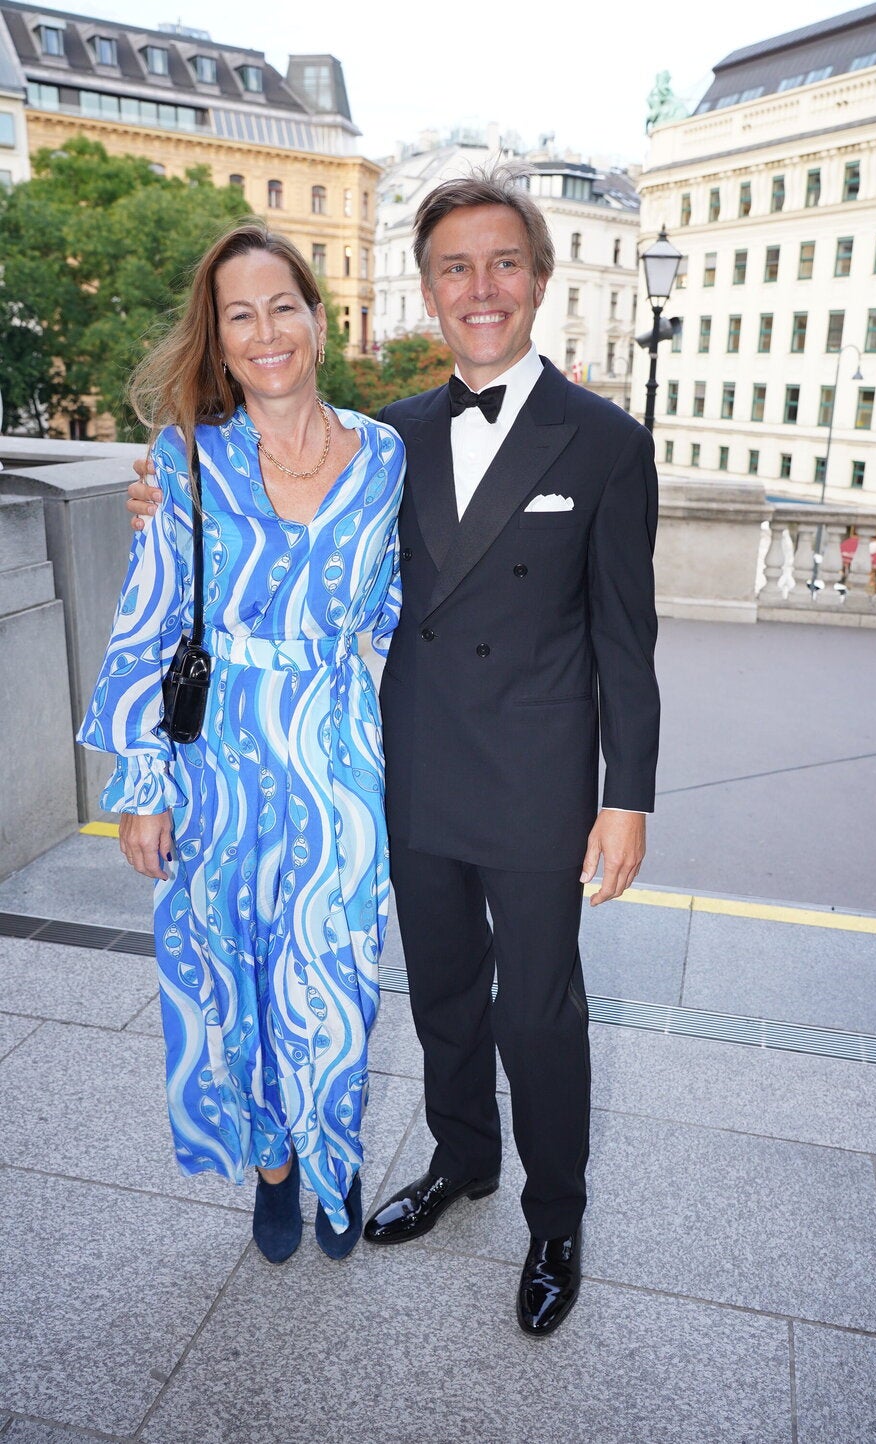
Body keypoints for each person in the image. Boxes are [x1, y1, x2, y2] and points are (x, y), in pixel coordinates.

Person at [128, 168, 659, 1336]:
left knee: (539, 1012)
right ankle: (462, 1160)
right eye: (455, 267)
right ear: (423, 290)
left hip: (535, 778)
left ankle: (554, 1217)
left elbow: (629, 636)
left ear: (539, 278)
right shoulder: (389, 439)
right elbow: (273, 504)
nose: (481, 288)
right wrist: (159, 491)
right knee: (447, 1001)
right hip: (403, 769)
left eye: (503, 263)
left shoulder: (608, 443)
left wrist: (628, 799)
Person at [80, 220, 404, 1266]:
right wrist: (143, 784)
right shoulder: (183, 461)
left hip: (338, 761)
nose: (266, 332)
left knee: (337, 971)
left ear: (319, 317)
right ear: (217, 343)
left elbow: (401, 602)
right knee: (235, 976)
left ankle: (332, 1147)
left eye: (283, 306)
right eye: (239, 316)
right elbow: (150, 617)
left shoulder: (386, 453)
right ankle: (272, 1159)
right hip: (216, 762)